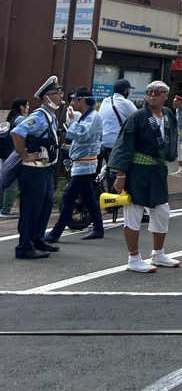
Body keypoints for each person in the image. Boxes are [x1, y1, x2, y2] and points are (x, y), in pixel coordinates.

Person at [109, 81, 180, 274]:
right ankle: (134, 258)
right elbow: (124, 145)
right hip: (137, 169)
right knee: (133, 213)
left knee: (162, 211)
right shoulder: (137, 117)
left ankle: (158, 253)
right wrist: (120, 174)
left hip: (157, 170)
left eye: (157, 92)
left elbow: (172, 140)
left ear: (166, 95)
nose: (152, 95)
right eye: (149, 92)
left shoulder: (168, 115)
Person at [10, 76, 63, 259]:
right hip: (33, 170)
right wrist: (24, 154)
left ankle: (37, 238)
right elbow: (17, 133)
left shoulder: (51, 117)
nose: (60, 96)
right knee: (31, 208)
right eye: (56, 93)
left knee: (45, 205)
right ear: (47, 97)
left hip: (45, 169)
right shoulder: (38, 116)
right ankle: (24, 246)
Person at [45, 87, 104, 242]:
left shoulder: (94, 117)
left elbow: (82, 135)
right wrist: (72, 120)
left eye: (73, 99)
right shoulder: (85, 115)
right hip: (82, 163)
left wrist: (71, 121)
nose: (71, 103)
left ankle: (55, 233)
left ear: (82, 100)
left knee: (68, 197)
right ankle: (98, 228)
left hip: (86, 164)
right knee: (88, 197)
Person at [97, 79, 137, 170]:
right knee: (117, 172)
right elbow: (138, 119)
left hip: (101, 142)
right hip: (116, 144)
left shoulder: (105, 101)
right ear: (126, 91)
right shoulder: (126, 103)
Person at [0, 97, 28, 215]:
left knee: (4, 178)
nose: (27, 108)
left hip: (4, 152)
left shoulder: (10, 118)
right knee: (12, 181)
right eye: (26, 106)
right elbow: (25, 133)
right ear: (21, 107)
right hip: (13, 153)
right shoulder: (21, 119)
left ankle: (2, 207)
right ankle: (6, 209)